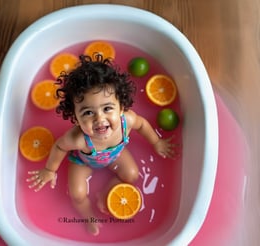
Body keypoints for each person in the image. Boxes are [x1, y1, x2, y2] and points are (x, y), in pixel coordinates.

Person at [27, 54, 176, 236]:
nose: (99, 119)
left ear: (121, 107)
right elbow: (59, 147)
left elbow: (142, 125)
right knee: (77, 194)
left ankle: (105, 193)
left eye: (107, 108)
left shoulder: (126, 121)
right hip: (83, 162)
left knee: (132, 175)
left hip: (116, 155)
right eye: (88, 112)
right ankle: (88, 216)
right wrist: (50, 170)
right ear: (76, 118)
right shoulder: (78, 139)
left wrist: (157, 142)